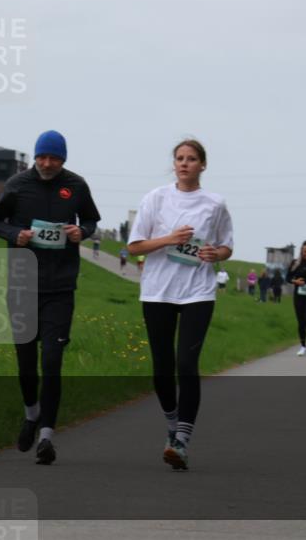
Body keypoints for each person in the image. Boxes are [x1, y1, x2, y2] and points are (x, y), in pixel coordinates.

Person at [0, 130, 100, 465]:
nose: (47, 163)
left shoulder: (76, 186)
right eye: (42, 157)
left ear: (63, 159)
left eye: (54, 158)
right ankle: (31, 414)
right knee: (25, 362)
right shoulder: (18, 185)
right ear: (35, 157)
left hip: (60, 287)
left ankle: (47, 437)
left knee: (51, 360)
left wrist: (83, 232)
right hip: (22, 284)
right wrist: (14, 234)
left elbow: (91, 219)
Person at [127, 139, 233, 471]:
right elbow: (134, 247)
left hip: (198, 292)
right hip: (158, 291)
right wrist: (169, 239)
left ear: (203, 165)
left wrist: (216, 254)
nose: (184, 163)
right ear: (173, 164)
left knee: (186, 364)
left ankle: (182, 440)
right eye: (179, 158)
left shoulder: (215, 204)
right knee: (162, 367)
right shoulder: (155, 199)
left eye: (191, 159)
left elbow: (226, 246)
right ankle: (172, 428)